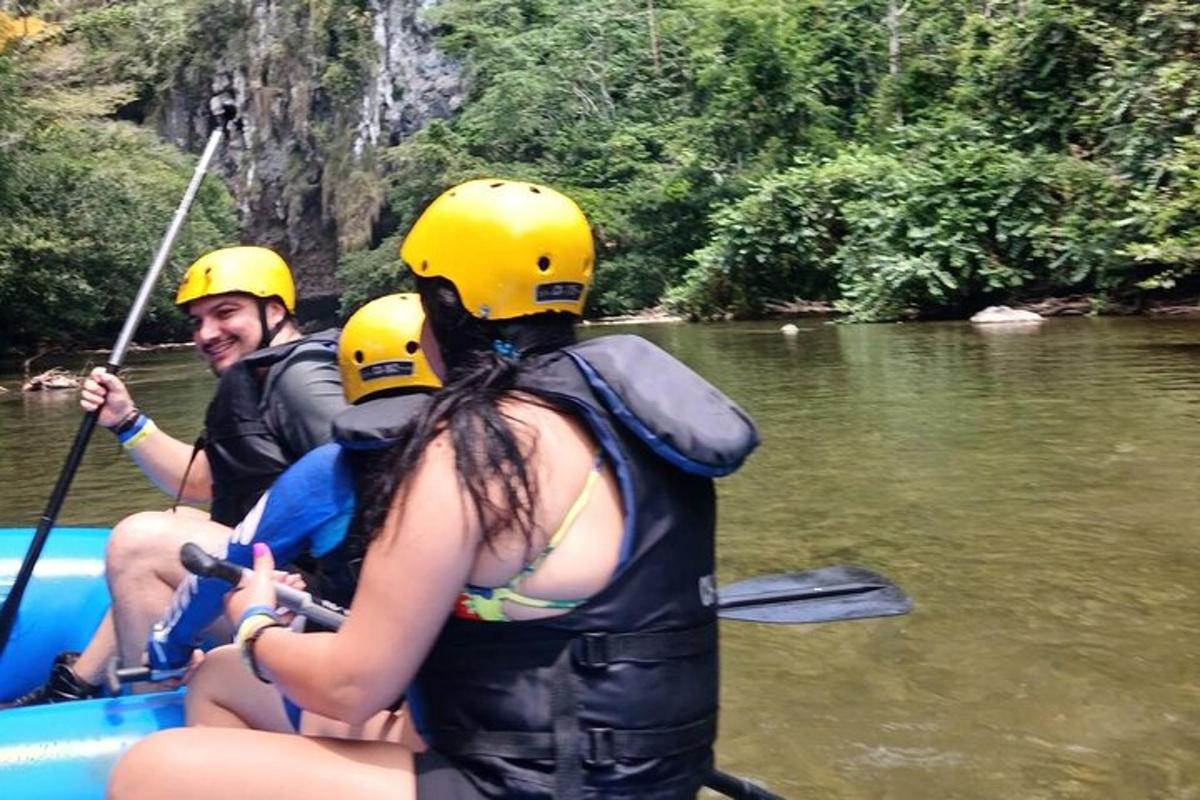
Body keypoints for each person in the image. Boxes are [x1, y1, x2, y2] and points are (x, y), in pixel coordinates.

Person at [108, 179, 759, 800]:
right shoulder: (633, 422)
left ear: (445, 306)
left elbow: (352, 687)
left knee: (152, 771)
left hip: (541, 783)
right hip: (643, 775)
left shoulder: (471, 447)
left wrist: (254, 626)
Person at [2, 246, 346, 708]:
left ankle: (151, 704)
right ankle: (77, 685)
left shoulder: (301, 381)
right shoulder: (259, 377)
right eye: (197, 320)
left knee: (140, 542)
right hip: (278, 575)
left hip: (319, 607)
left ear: (275, 309)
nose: (207, 333)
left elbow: (366, 482)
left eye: (225, 313)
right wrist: (126, 421)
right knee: (181, 517)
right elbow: (205, 482)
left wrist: (307, 576)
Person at [148, 293, 443, 696]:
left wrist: (171, 644)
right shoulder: (518, 447)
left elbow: (226, 561)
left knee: (214, 677)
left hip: (385, 695)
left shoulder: (327, 470)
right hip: (487, 684)